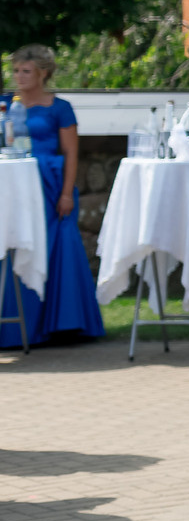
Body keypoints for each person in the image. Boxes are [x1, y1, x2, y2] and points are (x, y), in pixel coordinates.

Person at [5, 45, 103, 344]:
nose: (19, 77)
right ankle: (15, 327)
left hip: (50, 186)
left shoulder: (59, 107)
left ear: (42, 73)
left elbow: (71, 153)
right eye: (16, 71)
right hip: (15, 185)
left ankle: (62, 325)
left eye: (26, 71)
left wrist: (66, 194)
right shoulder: (6, 104)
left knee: (55, 248)